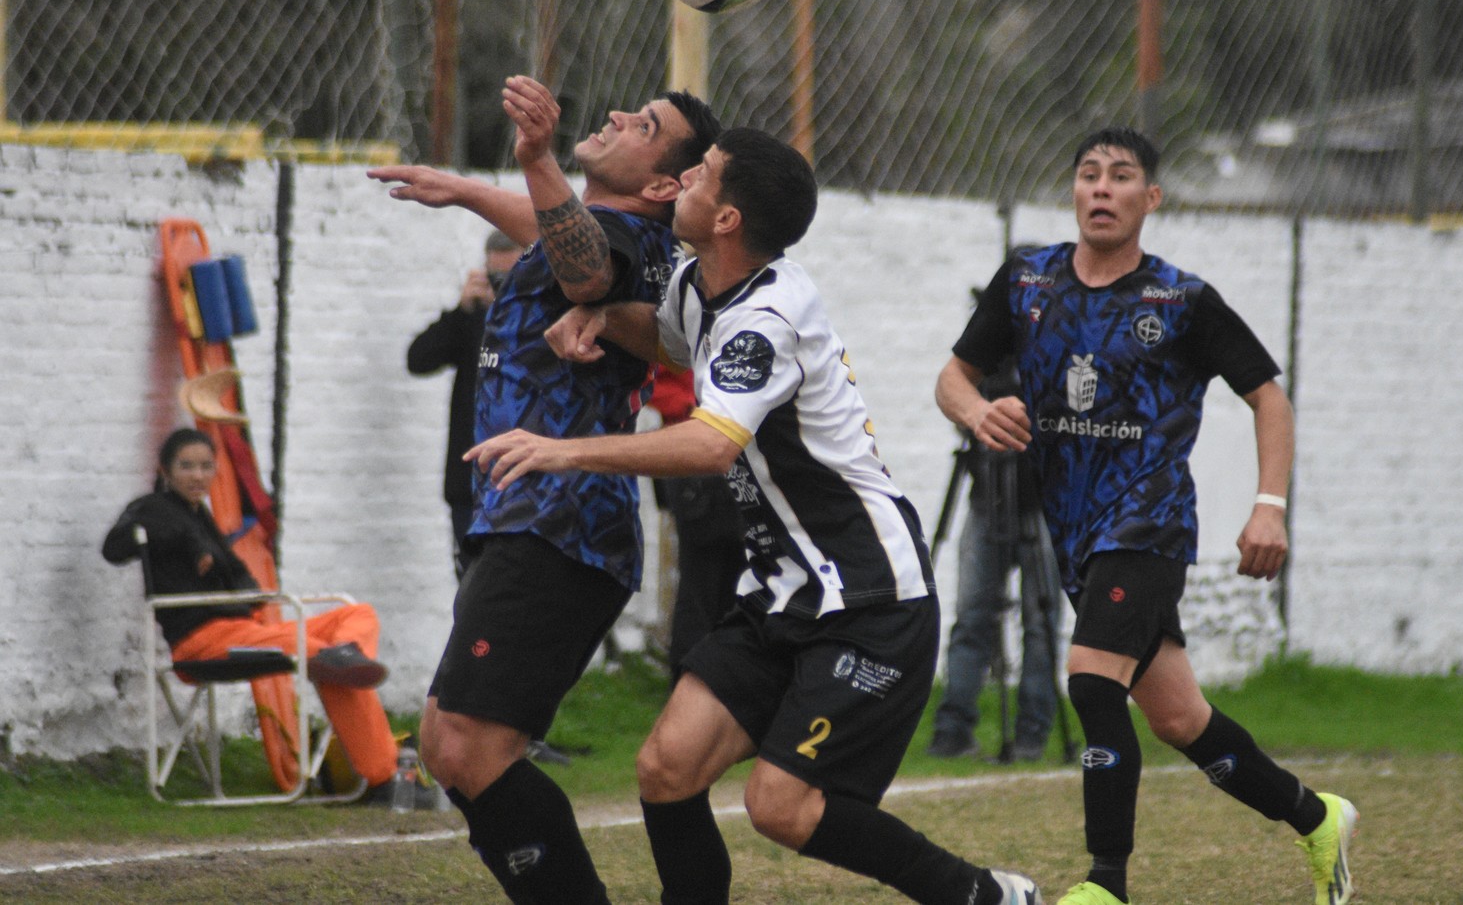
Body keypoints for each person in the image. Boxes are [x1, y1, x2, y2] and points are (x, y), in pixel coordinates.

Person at [473, 127, 1039, 905]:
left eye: (698, 175)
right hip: (783, 591)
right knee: (666, 769)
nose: (680, 182)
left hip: (867, 595)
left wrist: (562, 449)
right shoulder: (701, 285)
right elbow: (669, 336)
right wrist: (605, 317)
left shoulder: (767, 314)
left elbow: (711, 445)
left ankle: (981, 895)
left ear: (728, 217)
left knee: (781, 806)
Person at [935, 126, 1357, 905]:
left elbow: (1268, 396)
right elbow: (953, 374)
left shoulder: (1182, 299)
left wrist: (1268, 506)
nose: (1100, 187)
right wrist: (974, 409)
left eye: (1120, 176)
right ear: (1072, 191)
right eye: (1087, 174)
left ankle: (1106, 885)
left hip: (1147, 524)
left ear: (1148, 198)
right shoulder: (1027, 281)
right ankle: (1316, 814)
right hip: (1072, 531)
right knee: (1178, 718)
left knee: (1092, 685)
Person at [369, 74, 721, 905]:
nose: (612, 118)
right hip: (527, 520)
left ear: (663, 185)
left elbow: (589, 266)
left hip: (559, 526)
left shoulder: (636, 246)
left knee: (464, 750)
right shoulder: (607, 224)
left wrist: (534, 156)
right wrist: (469, 191)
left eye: (641, 123)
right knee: (451, 741)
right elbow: (558, 232)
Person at [101, 427, 412, 804]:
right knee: (313, 651)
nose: (197, 475)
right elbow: (113, 548)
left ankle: (348, 653)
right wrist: (189, 541)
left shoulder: (203, 517)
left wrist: (238, 584)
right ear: (166, 470)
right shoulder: (152, 508)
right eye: (186, 466)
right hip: (202, 642)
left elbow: (242, 577)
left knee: (354, 616)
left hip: (244, 630)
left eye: (205, 466)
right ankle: (381, 777)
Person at [928, 363, 1060, 762]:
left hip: (1044, 499)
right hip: (986, 498)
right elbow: (959, 412)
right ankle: (952, 734)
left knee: (1041, 622)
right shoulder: (978, 361)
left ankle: (1031, 738)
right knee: (971, 616)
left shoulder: (1054, 349)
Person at [406, 228, 525, 581]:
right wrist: (462, 310)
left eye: (512, 276)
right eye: (496, 276)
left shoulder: (543, 320)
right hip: (470, 485)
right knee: (471, 587)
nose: (503, 285)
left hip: (524, 482)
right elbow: (418, 359)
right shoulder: (474, 320)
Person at [646, 365, 749, 681]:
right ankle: (694, 679)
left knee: (726, 579)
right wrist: (691, 408)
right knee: (705, 581)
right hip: (699, 451)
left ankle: (708, 680)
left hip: (706, 448)